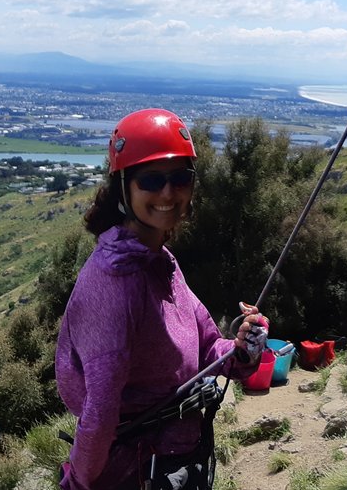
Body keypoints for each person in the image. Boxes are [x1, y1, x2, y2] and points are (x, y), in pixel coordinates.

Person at [55, 108, 268, 490]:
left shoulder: (160, 261)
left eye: (180, 177)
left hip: (174, 463)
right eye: (151, 179)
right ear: (124, 186)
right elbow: (100, 412)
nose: (168, 193)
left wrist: (242, 349)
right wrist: (79, 483)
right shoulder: (114, 282)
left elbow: (204, 347)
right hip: (131, 472)